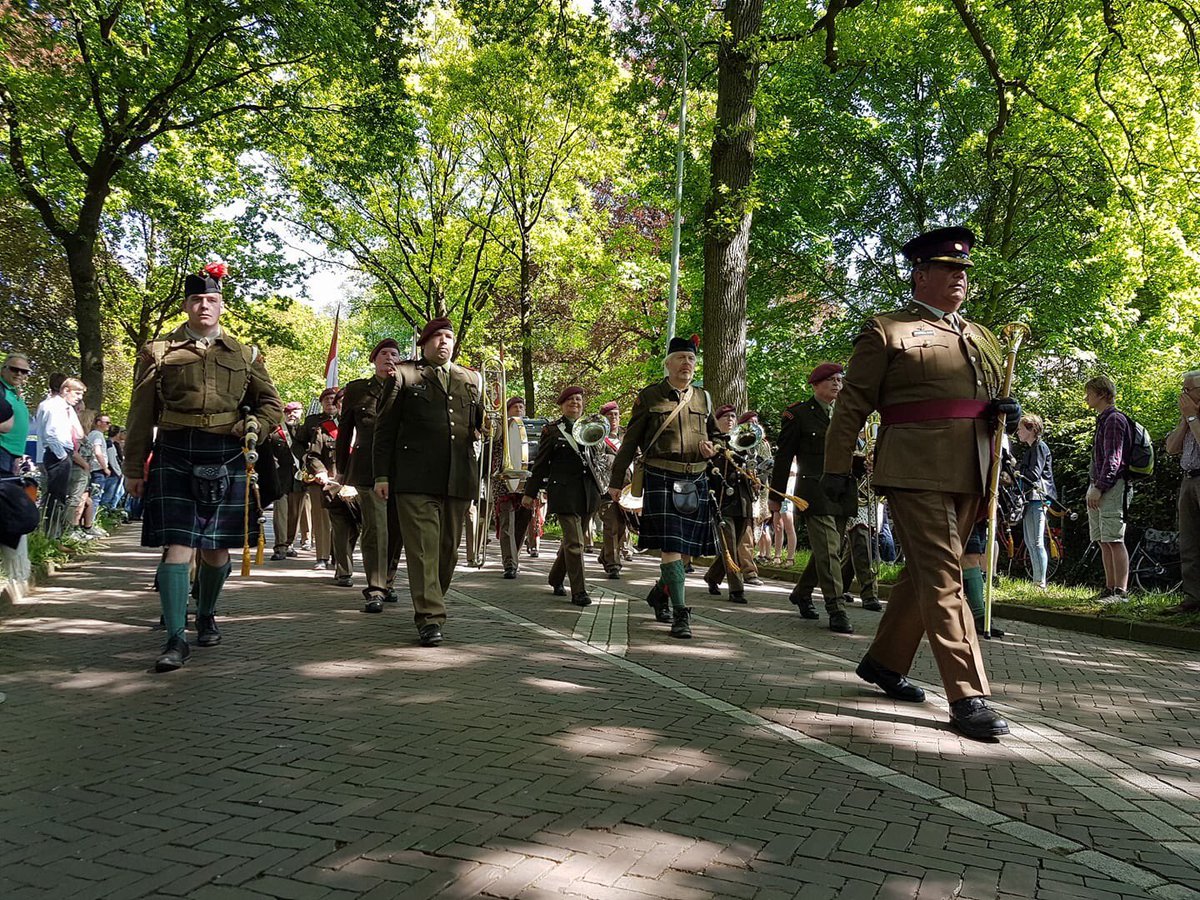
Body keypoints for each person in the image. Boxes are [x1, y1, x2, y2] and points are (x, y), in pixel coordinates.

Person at [823, 226, 1019, 740]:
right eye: (949, 270)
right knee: (942, 576)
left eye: (963, 272)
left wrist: (1002, 410)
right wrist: (835, 470)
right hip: (913, 468)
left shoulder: (982, 336)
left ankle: (884, 663)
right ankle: (968, 694)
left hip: (973, 469)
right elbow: (852, 405)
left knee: (930, 571)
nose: (959, 278)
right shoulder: (886, 330)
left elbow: (983, 397)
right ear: (921, 275)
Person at [123, 261, 283, 672]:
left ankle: (206, 613)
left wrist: (256, 426)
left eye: (212, 300)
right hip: (175, 450)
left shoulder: (245, 355)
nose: (204, 306)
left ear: (221, 305)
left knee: (215, 551)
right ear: (186, 305)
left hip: (227, 453)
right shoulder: (158, 352)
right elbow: (140, 414)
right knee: (178, 547)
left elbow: (272, 406)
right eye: (197, 300)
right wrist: (134, 468)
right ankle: (176, 637)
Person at [373, 317, 483, 647]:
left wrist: (486, 427)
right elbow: (385, 430)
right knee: (423, 550)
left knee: (447, 553)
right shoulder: (405, 375)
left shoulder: (470, 378)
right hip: (415, 478)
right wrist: (381, 475)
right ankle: (430, 617)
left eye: (448, 337)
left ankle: (432, 599)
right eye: (436, 337)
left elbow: (477, 425)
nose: (443, 342)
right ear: (424, 343)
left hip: (458, 477)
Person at [608, 334, 718, 639]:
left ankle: (660, 592)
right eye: (681, 358)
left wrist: (715, 448)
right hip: (661, 476)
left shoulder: (703, 398)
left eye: (692, 359)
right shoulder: (649, 396)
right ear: (668, 363)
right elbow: (630, 442)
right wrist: (616, 482)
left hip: (696, 478)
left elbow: (716, 437)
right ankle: (681, 614)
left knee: (685, 555)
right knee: (671, 548)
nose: (687, 364)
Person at [773, 363, 856, 634]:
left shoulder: (845, 414)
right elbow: (783, 458)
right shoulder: (798, 415)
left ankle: (802, 592)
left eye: (839, 379)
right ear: (815, 384)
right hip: (814, 492)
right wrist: (775, 496)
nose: (837, 384)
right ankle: (835, 608)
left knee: (829, 549)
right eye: (830, 380)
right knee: (829, 548)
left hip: (842, 491)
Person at [338, 338, 405, 613]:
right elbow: (344, 432)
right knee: (376, 528)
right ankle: (375, 588)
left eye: (394, 354)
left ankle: (388, 580)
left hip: (401, 468)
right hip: (366, 469)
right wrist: (341, 469)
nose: (390, 358)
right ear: (374, 359)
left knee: (396, 528)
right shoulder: (356, 390)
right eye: (384, 354)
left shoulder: (407, 388)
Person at [523, 387, 602, 605]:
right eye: (570, 400)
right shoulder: (553, 430)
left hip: (588, 492)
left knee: (570, 542)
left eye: (578, 399)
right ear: (562, 404)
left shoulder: (591, 427)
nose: (575, 403)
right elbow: (540, 464)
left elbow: (597, 461)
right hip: (564, 492)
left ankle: (556, 577)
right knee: (576, 543)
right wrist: (530, 492)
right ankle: (579, 592)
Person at [1085, 375, 1131, 600]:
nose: (1086, 398)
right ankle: (1109, 587)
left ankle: (1120, 591)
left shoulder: (1114, 420)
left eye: (1089, 393)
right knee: (1103, 540)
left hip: (1110, 487)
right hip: (1099, 486)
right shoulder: (1103, 420)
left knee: (1114, 538)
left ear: (1102, 394)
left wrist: (1100, 487)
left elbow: (1114, 458)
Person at [704, 405, 756, 603]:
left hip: (743, 500)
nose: (730, 420)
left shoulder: (743, 442)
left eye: (733, 417)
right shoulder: (714, 444)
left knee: (733, 544)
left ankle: (712, 577)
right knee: (730, 544)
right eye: (725, 417)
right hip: (722, 500)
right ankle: (737, 589)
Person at [1165, 370, 1200, 614]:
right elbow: (1171, 448)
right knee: (1189, 541)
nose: (1183, 394)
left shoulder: (1193, 417)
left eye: (1188, 390)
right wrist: (1184, 421)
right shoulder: (1187, 417)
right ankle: (1192, 597)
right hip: (1188, 480)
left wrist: (1192, 419)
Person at [299, 388, 339, 573]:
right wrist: (314, 469)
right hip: (320, 479)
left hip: (343, 479)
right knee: (322, 519)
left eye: (335, 399)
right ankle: (322, 556)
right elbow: (305, 448)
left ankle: (339, 557)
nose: (331, 402)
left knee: (341, 521)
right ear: (322, 402)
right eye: (327, 399)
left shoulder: (350, 422)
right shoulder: (316, 424)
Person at [1016, 413, 1057, 589]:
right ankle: (1036, 579)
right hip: (1031, 499)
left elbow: (1034, 475)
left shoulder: (1040, 448)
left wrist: (1017, 470)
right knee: (1030, 540)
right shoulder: (1032, 449)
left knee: (1037, 541)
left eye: (1020, 429)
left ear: (1031, 429)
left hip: (1038, 499)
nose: (1017, 432)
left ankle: (1040, 582)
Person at [495, 396, 534, 579]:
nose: (519, 409)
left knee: (522, 523)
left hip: (525, 485)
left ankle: (514, 558)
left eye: (521, 406)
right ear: (508, 410)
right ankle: (509, 563)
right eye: (515, 406)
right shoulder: (500, 429)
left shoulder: (528, 431)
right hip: (504, 485)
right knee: (507, 525)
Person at [595, 400, 628, 579]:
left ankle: (605, 556)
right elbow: (597, 459)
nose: (614, 418)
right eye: (610, 415)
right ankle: (614, 565)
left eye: (616, 414)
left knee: (622, 526)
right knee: (611, 525)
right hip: (606, 487)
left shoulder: (627, 435)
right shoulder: (598, 436)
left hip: (626, 488)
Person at [266, 406, 298, 560]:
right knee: (281, 513)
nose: (292, 415)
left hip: (298, 479)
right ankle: (280, 546)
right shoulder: (274, 433)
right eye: (288, 413)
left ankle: (289, 543)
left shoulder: (304, 431)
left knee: (295, 514)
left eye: (295, 412)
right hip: (280, 478)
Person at [0, 353, 31, 475]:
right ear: (3, 370)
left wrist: (18, 455)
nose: (19, 374)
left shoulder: (15, 393)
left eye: (24, 371)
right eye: (14, 369)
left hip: (12, 454)